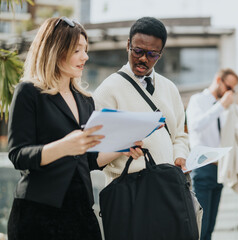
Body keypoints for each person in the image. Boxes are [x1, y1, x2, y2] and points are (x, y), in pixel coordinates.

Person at [7, 17, 143, 240]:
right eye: (77, 50)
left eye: (86, 50)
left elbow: (87, 160)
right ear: (55, 50)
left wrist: (122, 147)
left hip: (81, 212)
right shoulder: (28, 92)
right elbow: (18, 155)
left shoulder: (85, 100)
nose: (85, 57)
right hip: (37, 214)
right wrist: (64, 146)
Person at [93, 17, 189, 182]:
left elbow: (180, 135)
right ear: (128, 45)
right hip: (129, 190)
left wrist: (180, 156)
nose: (144, 59)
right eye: (138, 51)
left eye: (152, 54)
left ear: (161, 54)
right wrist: (122, 145)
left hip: (169, 186)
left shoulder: (170, 88)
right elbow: (96, 150)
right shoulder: (107, 90)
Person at [186, 69, 238, 240]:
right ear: (218, 80)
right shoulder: (198, 100)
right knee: (201, 226)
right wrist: (220, 107)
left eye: (233, 90)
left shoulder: (223, 107)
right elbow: (195, 126)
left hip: (219, 169)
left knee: (210, 227)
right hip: (202, 167)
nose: (230, 92)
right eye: (229, 87)